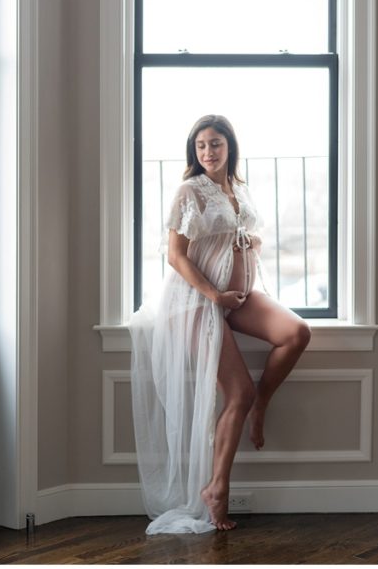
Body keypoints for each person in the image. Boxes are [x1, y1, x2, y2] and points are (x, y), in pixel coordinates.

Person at [130, 114, 311, 533]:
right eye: (201, 146)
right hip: (195, 301)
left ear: (230, 147)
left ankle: (261, 402)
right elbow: (175, 256)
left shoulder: (239, 190)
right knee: (237, 391)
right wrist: (215, 295)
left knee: (296, 333)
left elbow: (244, 235)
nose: (208, 152)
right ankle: (217, 489)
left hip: (238, 298)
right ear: (194, 153)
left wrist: (245, 254)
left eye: (216, 144)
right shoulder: (188, 191)